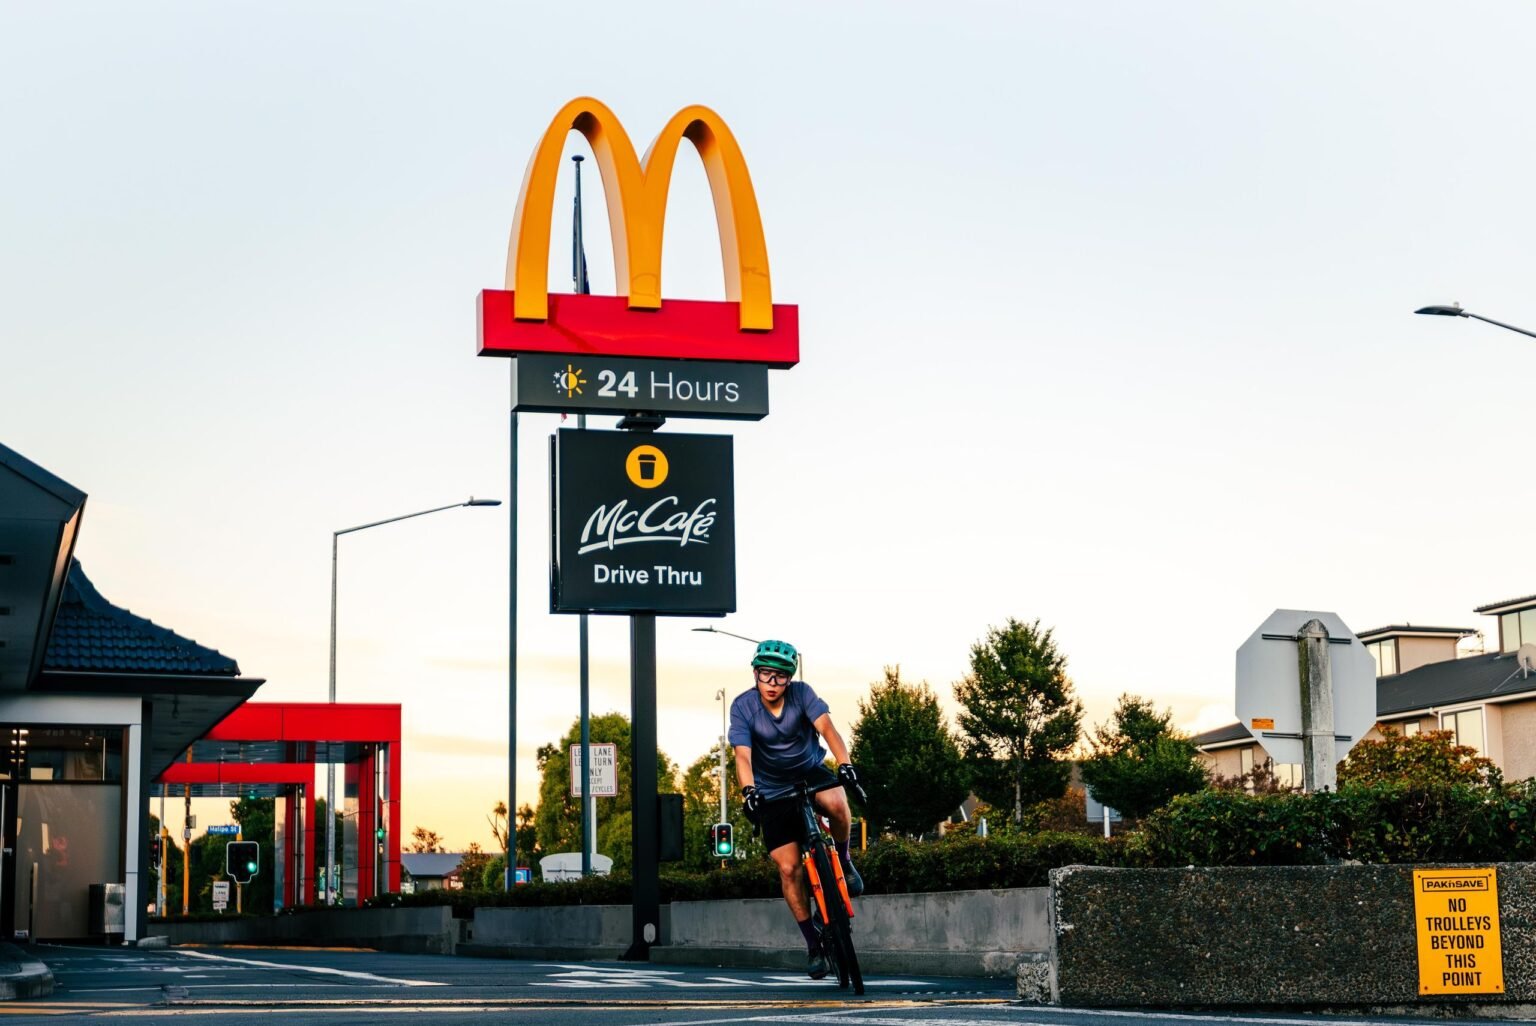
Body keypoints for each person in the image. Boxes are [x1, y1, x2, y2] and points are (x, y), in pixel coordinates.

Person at [729, 638, 866, 979]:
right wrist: (749, 791)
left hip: (808, 770)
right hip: (771, 790)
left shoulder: (803, 694)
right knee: (789, 868)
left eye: (779, 677)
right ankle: (813, 945)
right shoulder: (743, 706)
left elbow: (828, 729)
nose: (771, 684)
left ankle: (845, 863)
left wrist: (844, 763)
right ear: (755, 674)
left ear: (789, 678)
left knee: (837, 801)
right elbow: (742, 756)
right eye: (764, 675)